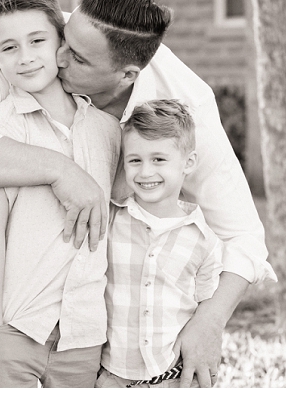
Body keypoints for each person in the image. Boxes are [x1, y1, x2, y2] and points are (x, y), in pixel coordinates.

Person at [0, 0, 277, 388]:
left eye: (80, 60)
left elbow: (244, 235)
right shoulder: (30, 37)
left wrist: (210, 322)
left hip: (93, 252)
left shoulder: (185, 106)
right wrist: (61, 170)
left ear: (125, 76)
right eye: (64, 41)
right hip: (4, 187)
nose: (59, 57)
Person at [0, 0, 121, 387]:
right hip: (15, 327)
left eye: (37, 41)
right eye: (9, 47)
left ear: (61, 45)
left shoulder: (107, 131)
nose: (26, 57)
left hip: (82, 334)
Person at [96, 99, 224, 388]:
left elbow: (207, 313)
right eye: (135, 160)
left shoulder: (204, 240)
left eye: (159, 159)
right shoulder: (110, 219)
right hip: (111, 376)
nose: (145, 172)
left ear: (187, 163)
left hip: (174, 377)